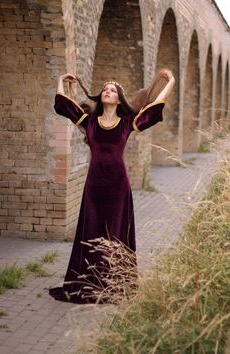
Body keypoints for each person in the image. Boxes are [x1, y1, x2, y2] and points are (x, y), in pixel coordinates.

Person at [49, 69, 175, 303]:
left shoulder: (128, 123)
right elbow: (64, 106)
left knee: (116, 234)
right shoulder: (90, 123)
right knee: (90, 232)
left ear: (119, 99)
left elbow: (155, 110)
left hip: (118, 186)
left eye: (112, 90)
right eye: (105, 89)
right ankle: (88, 283)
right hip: (94, 186)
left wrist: (170, 82)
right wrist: (59, 82)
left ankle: (115, 285)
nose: (108, 92)